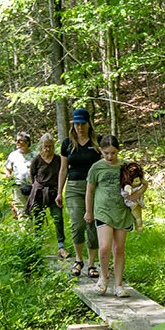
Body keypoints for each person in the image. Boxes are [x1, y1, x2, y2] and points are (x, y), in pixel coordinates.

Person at [84, 135, 145, 298]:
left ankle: (118, 285)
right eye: (106, 153)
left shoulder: (126, 166)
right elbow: (89, 191)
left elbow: (143, 184)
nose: (110, 157)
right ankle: (104, 278)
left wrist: (136, 195)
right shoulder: (96, 168)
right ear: (101, 151)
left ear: (118, 150)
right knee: (104, 247)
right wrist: (88, 211)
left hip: (121, 212)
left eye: (113, 153)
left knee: (119, 249)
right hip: (103, 210)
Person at [58, 108, 101, 277]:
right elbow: (63, 169)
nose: (79, 127)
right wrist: (59, 192)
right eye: (76, 124)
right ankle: (78, 259)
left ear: (89, 124)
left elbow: (106, 165)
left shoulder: (98, 142)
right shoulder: (67, 144)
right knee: (78, 223)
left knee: (92, 224)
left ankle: (91, 264)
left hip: (95, 187)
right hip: (74, 187)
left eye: (82, 124)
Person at [28, 133, 67, 258]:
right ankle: (37, 246)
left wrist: (59, 191)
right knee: (38, 219)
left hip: (54, 193)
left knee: (58, 218)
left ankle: (61, 246)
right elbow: (32, 176)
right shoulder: (37, 160)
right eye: (45, 146)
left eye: (50, 146)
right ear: (41, 146)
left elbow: (63, 173)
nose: (48, 149)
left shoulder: (58, 159)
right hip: (39, 193)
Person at [5, 132, 36, 219]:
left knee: (33, 211)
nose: (17, 143)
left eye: (20, 141)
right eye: (16, 140)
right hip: (18, 186)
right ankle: (25, 232)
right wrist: (9, 177)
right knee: (21, 212)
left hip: (33, 187)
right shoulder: (13, 155)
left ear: (27, 143)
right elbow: (7, 169)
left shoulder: (35, 155)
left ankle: (35, 232)